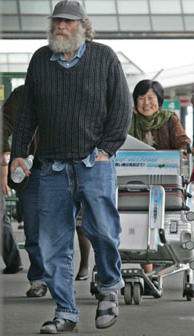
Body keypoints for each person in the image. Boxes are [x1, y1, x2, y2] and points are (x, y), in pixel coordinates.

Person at [11, 1, 132, 332]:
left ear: (83, 26)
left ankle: (109, 287)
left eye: (67, 22)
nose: (60, 27)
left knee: (103, 231)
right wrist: (18, 153)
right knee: (52, 243)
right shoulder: (40, 60)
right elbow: (27, 114)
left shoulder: (104, 57)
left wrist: (107, 149)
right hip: (51, 167)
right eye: (56, 22)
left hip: (94, 162)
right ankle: (66, 312)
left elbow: (122, 107)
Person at [129, 79, 191, 273]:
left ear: (159, 100)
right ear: (135, 100)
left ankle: (154, 272)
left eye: (151, 98)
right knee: (137, 219)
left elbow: (182, 140)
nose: (146, 103)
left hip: (164, 182)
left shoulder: (169, 118)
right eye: (141, 98)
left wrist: (184, 149)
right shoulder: (127, 120)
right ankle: (149, 272)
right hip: (133, 181)